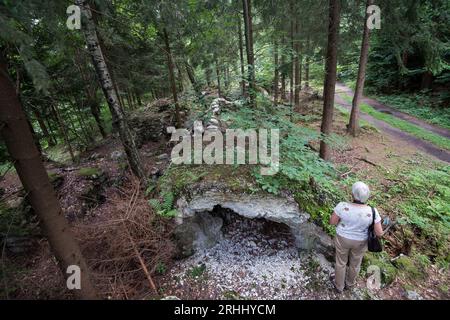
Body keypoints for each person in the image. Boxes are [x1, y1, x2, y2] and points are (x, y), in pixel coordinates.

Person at [329, 181, 384, 293]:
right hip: (360, 242)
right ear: (367, 196)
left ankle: (339, 286)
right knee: (355, 264)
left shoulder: (342, 206)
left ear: (353, 194)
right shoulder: (372, 211)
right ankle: (350, 284)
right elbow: (379, 233)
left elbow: (332, 222)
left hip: (342, 238)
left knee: (341, 262)